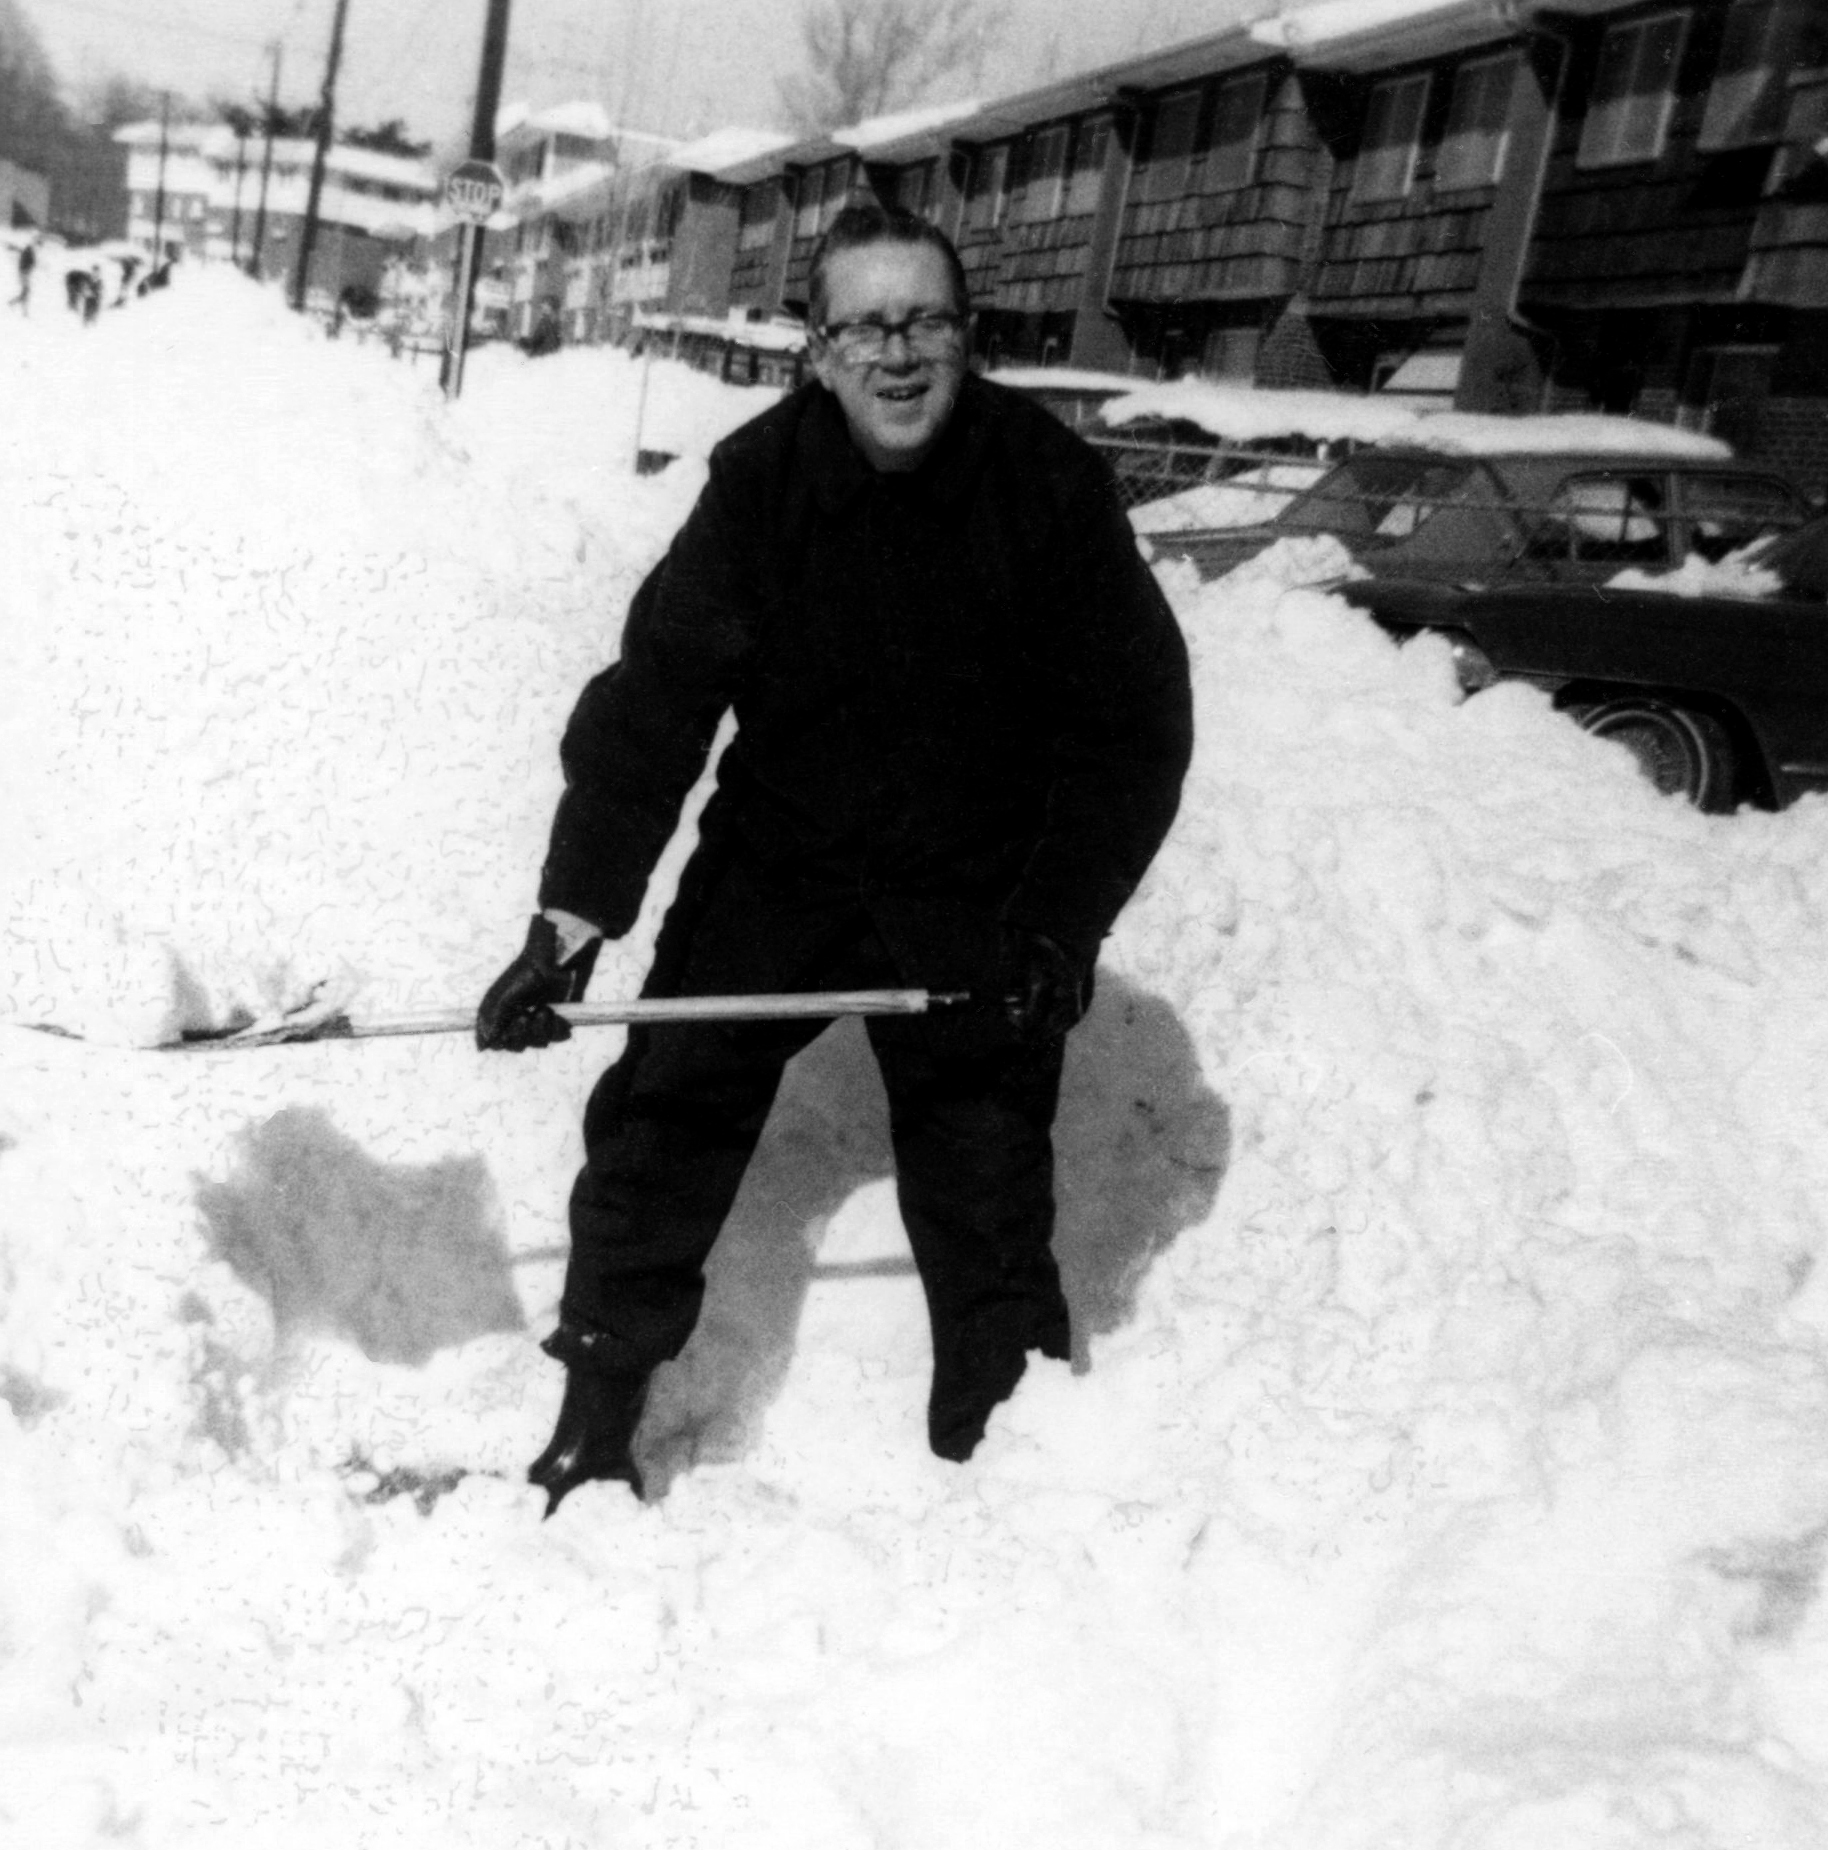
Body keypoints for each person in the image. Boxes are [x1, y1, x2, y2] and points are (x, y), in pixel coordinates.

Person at [477, 201, 1194, 1514]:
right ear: (816, 351)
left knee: (985, 1176)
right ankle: (595, 1415)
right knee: (660, 1123)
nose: (897, 353)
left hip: (976, 883)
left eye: (924, 319)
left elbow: (1134, 726)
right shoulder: (763, 483)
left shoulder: (1047, 488)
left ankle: (1000, 1451)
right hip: (780, 859)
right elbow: (653, 702)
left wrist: (1059, 920)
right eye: (863, 326)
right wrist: (571, 918)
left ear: (967, 338)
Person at [9, 238, 34, 313]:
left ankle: (15, 303)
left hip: (23, 274)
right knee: (25, 292)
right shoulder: (27, 255)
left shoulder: (25, 254)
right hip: (24, 274)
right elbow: (29, 264)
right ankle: (14, 304)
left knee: (25, 292)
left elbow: (19, 250)